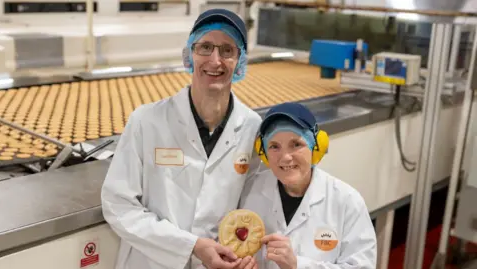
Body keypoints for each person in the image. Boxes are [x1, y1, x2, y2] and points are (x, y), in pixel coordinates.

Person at [101, 8, 262, 269]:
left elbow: (253, 210)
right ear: (190, 55)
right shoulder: (146, 121)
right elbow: (117, 204)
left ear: (240, 61)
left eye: (227, 50)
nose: (215, 60)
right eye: (205, 47)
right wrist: (192, 247)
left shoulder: (253, 128)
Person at [237, 102, 377, 269]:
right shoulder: (249, 190)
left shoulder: (346, 202)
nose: (286, 157)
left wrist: (297, 265)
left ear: (316, 147)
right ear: (264, 153)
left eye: (296, 144)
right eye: (274, 146)